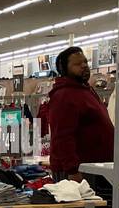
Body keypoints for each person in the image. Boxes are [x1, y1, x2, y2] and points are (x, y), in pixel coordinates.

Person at [47, 46, 115, 181]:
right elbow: (62, 136)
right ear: (64, 69)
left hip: (95, 167)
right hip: (78, 172)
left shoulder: (85, 90)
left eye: (85, 62)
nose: (84, 66)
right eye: (77, 64)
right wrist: (72, 169)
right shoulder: (64, 95)